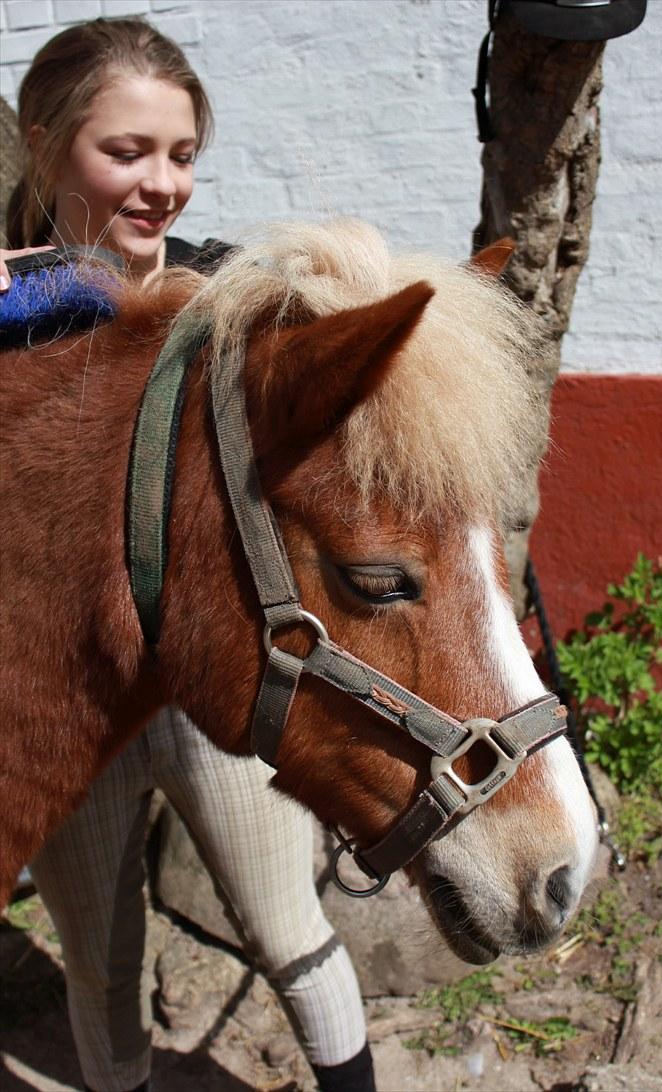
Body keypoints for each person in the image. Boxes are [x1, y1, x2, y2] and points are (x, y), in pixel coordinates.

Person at [1, 17, 376, 1092]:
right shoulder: (10, 316)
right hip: (77, 707)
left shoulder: (228, 295)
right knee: (104, 968)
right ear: (43, 145)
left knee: (291, 931)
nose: (162, 183)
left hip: (217, 689)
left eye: (180, 154)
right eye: (126, 151)